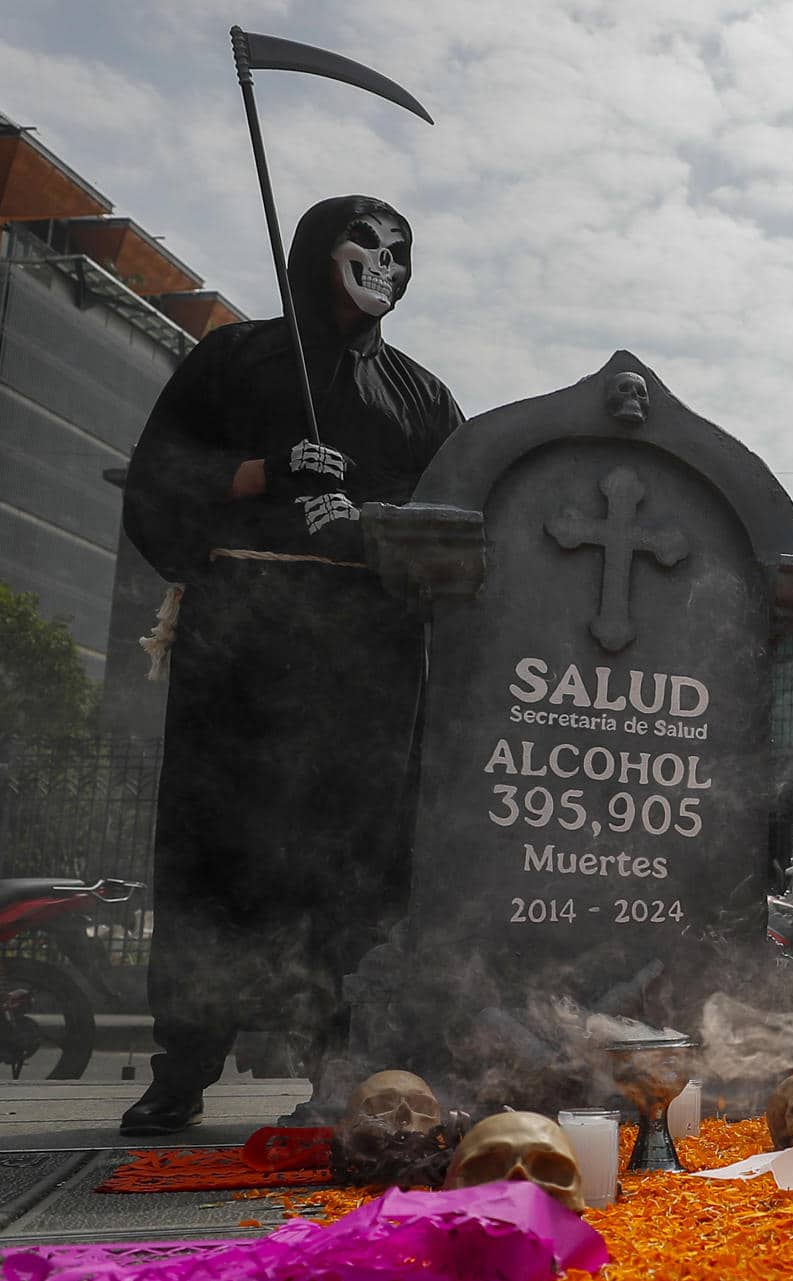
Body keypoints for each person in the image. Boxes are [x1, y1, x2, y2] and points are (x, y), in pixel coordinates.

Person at [119, 196, 463, 1135]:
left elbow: (456, 529)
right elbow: (154, 477)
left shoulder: (425, 398)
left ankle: (343, 1057)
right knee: (213, 848)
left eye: (401, 248)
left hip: (368, 660)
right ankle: (183, 1063)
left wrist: (364, 523)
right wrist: (262, 472)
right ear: (316, 252)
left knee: (355, 858)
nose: (384, 261)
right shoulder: (230, 361)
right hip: (243, 643)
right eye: (366, 243)